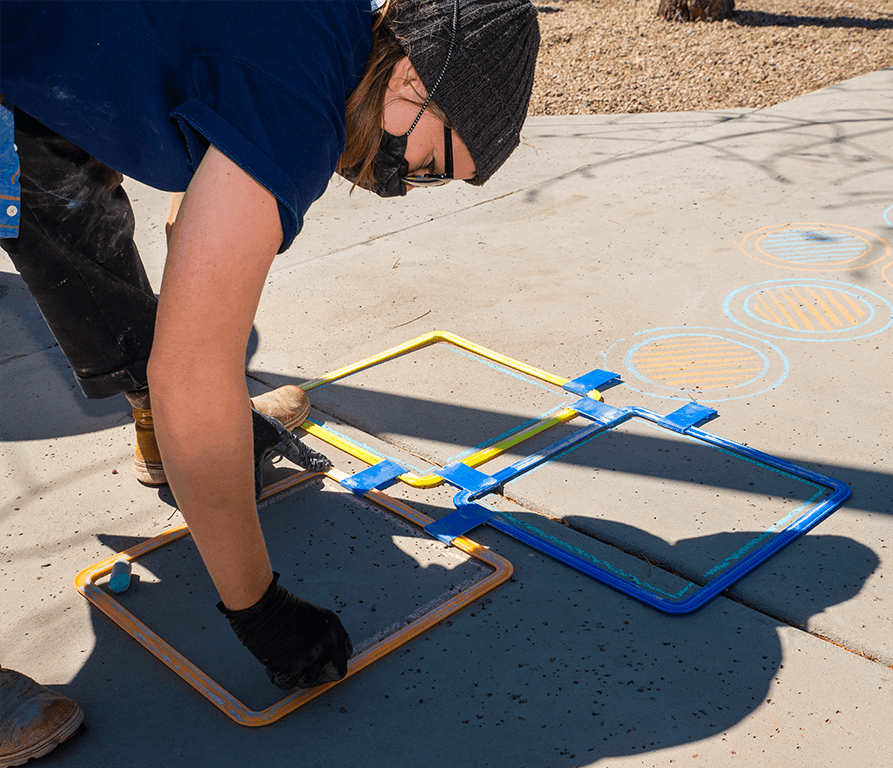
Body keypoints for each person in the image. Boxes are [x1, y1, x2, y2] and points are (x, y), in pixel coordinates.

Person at [0, 0, 540, 761]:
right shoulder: (298, 104)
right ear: (412, 82)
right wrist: (257, 604)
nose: (404, 183)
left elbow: (199, 226)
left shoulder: (319, 33)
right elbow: (193, 368)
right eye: (427, 164)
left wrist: (204, 421)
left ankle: (173, 443)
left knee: (59, 186)